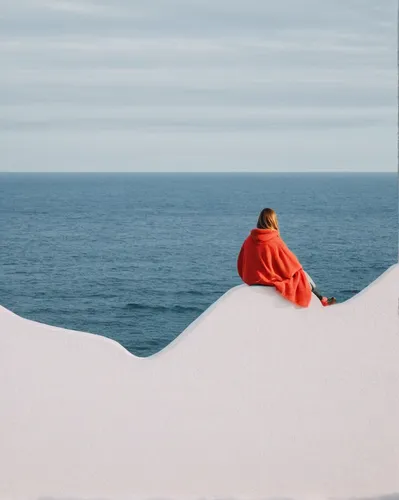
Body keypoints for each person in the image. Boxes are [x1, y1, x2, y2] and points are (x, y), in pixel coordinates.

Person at [237, 208, 336, 307]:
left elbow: (241, 262)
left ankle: (322, 300)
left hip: (252, 279)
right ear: (273, 221)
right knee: (303, 275)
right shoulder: (274, 241)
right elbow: (291, 264)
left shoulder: (249, 240)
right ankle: (323, 300)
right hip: (268, 280)